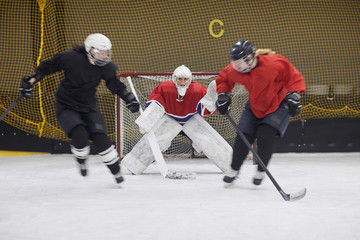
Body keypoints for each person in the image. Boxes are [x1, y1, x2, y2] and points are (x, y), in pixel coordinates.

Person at [19, 33, 140, 184]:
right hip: (66, 106)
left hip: (88, 107)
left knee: (101, 139)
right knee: (79, 134)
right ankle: (81, 160)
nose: (104, 56)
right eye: (100, 52)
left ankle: (116, 173)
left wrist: (128, 98)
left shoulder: (106, 68)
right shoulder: (70, 58)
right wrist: (31, 81)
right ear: (90, 50)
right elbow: (47, 67)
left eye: (106, 52)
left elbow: (115, 85)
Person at [215, 40, 305, 187]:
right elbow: (224, 78)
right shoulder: (236, 70)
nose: (237, 66)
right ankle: (234, 169)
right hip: (255, 105)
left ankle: (261, 170)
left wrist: (294, 95)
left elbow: (293, 76)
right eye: (235, 62)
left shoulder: (274, 63)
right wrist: (223, 94)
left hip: (279, 104)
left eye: (240, 62)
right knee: (243, 136)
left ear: (250, 57)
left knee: (265, 134)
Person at [122, 65, 232, 175]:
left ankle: (231, 164)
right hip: (171, 118)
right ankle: (134, 164)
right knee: (155, 140)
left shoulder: (197, 89)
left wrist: (216, 103)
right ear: (174, 79)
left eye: (185, 79)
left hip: (192, 119)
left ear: (190, 80)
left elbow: (204, 109)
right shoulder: (164, 88)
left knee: (208, 141)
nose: (183, 82)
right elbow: (156, 104)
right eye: (180, 79)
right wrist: (147, 120)